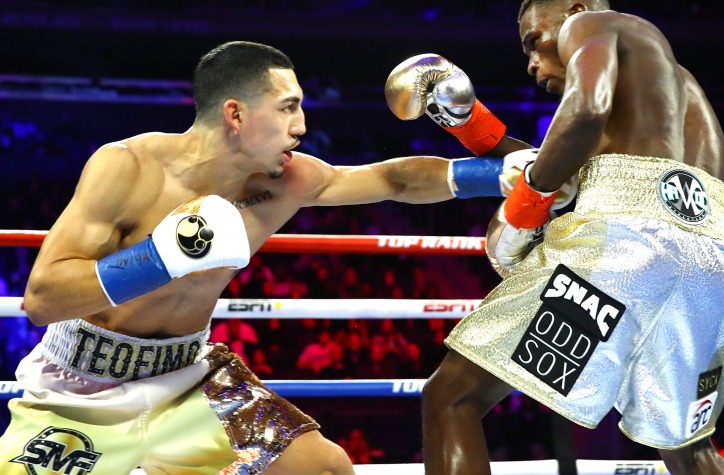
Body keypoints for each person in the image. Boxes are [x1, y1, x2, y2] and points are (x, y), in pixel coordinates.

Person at [0, 41, 512, 475]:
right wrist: (161, 257)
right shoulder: (127, 166)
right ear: (236, 113)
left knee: (326, 467)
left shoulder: (286, 181)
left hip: (189, 381)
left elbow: (393, 180)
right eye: (288, 107)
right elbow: (42, 299)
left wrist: (498, 175)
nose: (302, 125)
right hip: (80, 392)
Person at [386, 1, 724, 474]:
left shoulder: (593, 23)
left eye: (534, 41)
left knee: (452, 397)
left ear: (574, 9)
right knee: (689, 451)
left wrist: (524, 208)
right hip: (710, 264)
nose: (533, 63)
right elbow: (580, 165)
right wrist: (467, 122)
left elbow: (584, 115)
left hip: (625, 244)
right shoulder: (669, 93)